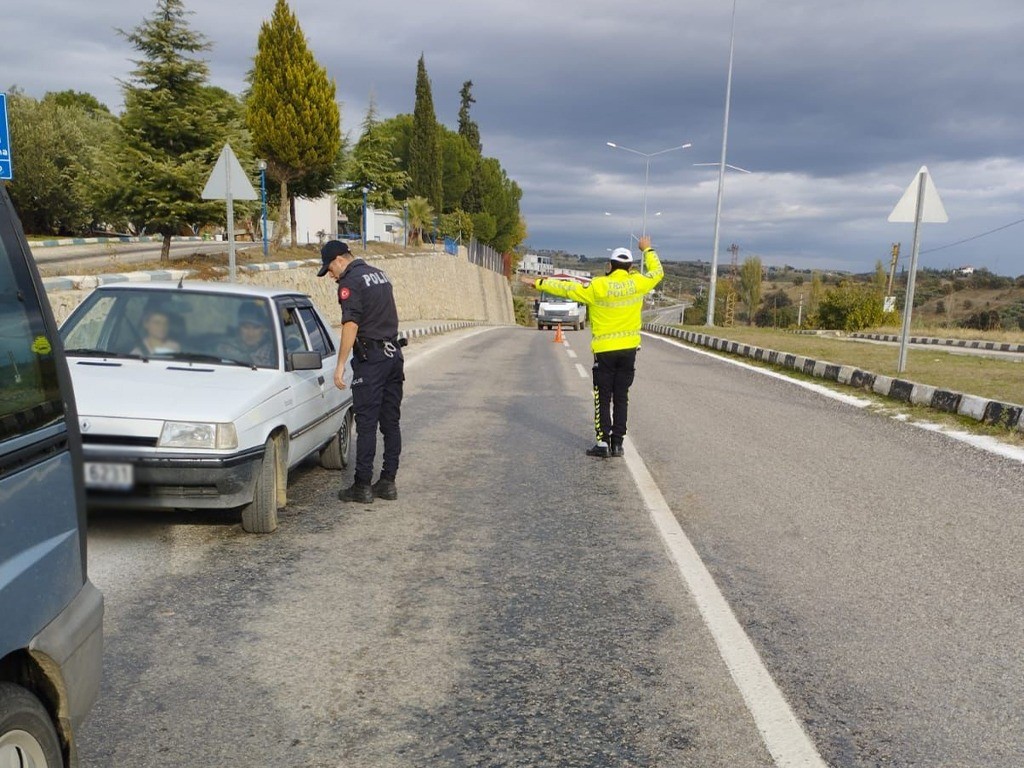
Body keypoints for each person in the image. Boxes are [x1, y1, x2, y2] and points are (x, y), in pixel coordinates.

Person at [521, 235, 663, 458]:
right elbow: (657, 272)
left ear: (610, 265)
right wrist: (647, 249)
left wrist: (539, 283)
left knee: (602, 396)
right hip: (628, 350)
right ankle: (618, 444)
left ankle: (603, 443)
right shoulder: (638, 283)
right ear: (630, 267)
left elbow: (567, 288)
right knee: (622, 396)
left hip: (605, 351)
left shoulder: (598, 285)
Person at [318, 240, 404, 504]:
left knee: (366, 425)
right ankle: (388, 482)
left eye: (329, 269)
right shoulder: (380, 274)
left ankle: (362, 485)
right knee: (390, 423)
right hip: (393, 356)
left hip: (372, 359)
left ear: (339, 260)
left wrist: (341, 364)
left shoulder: (350, 282)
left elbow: (351, 324)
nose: (330, 275)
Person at [218, 303, 276, 367]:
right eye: (246, 327)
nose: (250, 334)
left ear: (264, 329)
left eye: (256, 328)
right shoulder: (226, 348)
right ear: (239, 328)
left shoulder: (273, 351)